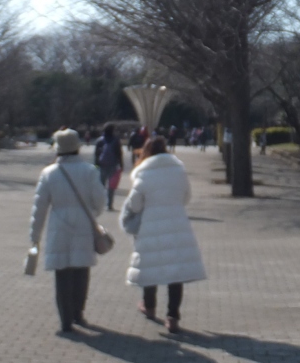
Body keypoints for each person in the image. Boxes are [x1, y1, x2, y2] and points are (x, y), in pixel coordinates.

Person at [120, 137, 206, 334]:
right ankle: (173, 316)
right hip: (177, 223)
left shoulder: (143, 172)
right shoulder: (178, 169)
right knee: (176, 271)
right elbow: (186, 197)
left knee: (150, 265)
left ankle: (149, 306)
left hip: (150, 225)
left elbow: (135, 204)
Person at [31, 128, 106, 333]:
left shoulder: (48, 173)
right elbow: (100, 200)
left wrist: (35, 235)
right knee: (81, 271)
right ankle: (78, 313)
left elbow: (39, 207)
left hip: (59, 227)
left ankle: (65, 320)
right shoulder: (89, 171)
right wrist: (92, 214)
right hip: (83, 225)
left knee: (62, 274)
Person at [93, 123, 124, 211]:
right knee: (111, 187)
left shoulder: (99, 140)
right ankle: (109, 204)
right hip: (113, 165)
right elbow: (119, 154)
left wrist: (96, 165)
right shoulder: (116, 140)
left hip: (102, 165)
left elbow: (96, 154)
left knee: (101, 185)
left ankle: (99, 203)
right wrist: (121, 164)